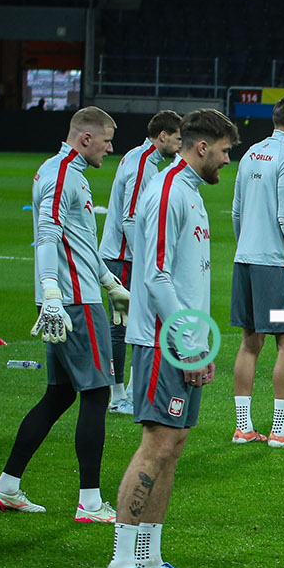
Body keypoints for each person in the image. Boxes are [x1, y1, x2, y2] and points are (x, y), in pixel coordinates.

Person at [103, 108, 237, 568]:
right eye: (224, 151)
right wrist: (188, 344)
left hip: (183, 339)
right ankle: (121, 563)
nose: (227, 161)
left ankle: (150, 556)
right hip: (163, 340)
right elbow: (156, 276)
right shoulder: (166, 192)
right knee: (156, 445)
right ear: (202, 147)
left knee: (173, 447)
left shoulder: (190, 192)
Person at [0, 107, 128, 522]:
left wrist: (111, 283)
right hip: (73, 302)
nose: (110, 148)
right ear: (86, 138)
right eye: (107, 140)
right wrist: (51, 291)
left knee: (61, 394)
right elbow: (47, 233)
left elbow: (79, 241)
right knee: (97, 393)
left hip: (70, 297)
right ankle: (90, 503)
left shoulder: (61, 171)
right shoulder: (63, 174)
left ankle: (6, 486)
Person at [230, 95, 284, 447]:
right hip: (275, 263)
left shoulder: (251, 153)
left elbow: (236, 211)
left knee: (250, 342)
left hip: (245, 259)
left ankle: (244, 427)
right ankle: (280, 430)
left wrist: (245, 246)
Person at [98, 110, 181, 415]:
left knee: (136, 325)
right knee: (121, 326)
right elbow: (130, 218)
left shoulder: (139, 158)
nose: (180, 144)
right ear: (163, 136)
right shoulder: (143, 165)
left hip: (124, 255)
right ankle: (118, 395)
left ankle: (131, 392)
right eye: (177, 138)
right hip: (123, 256)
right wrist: (147, 261)